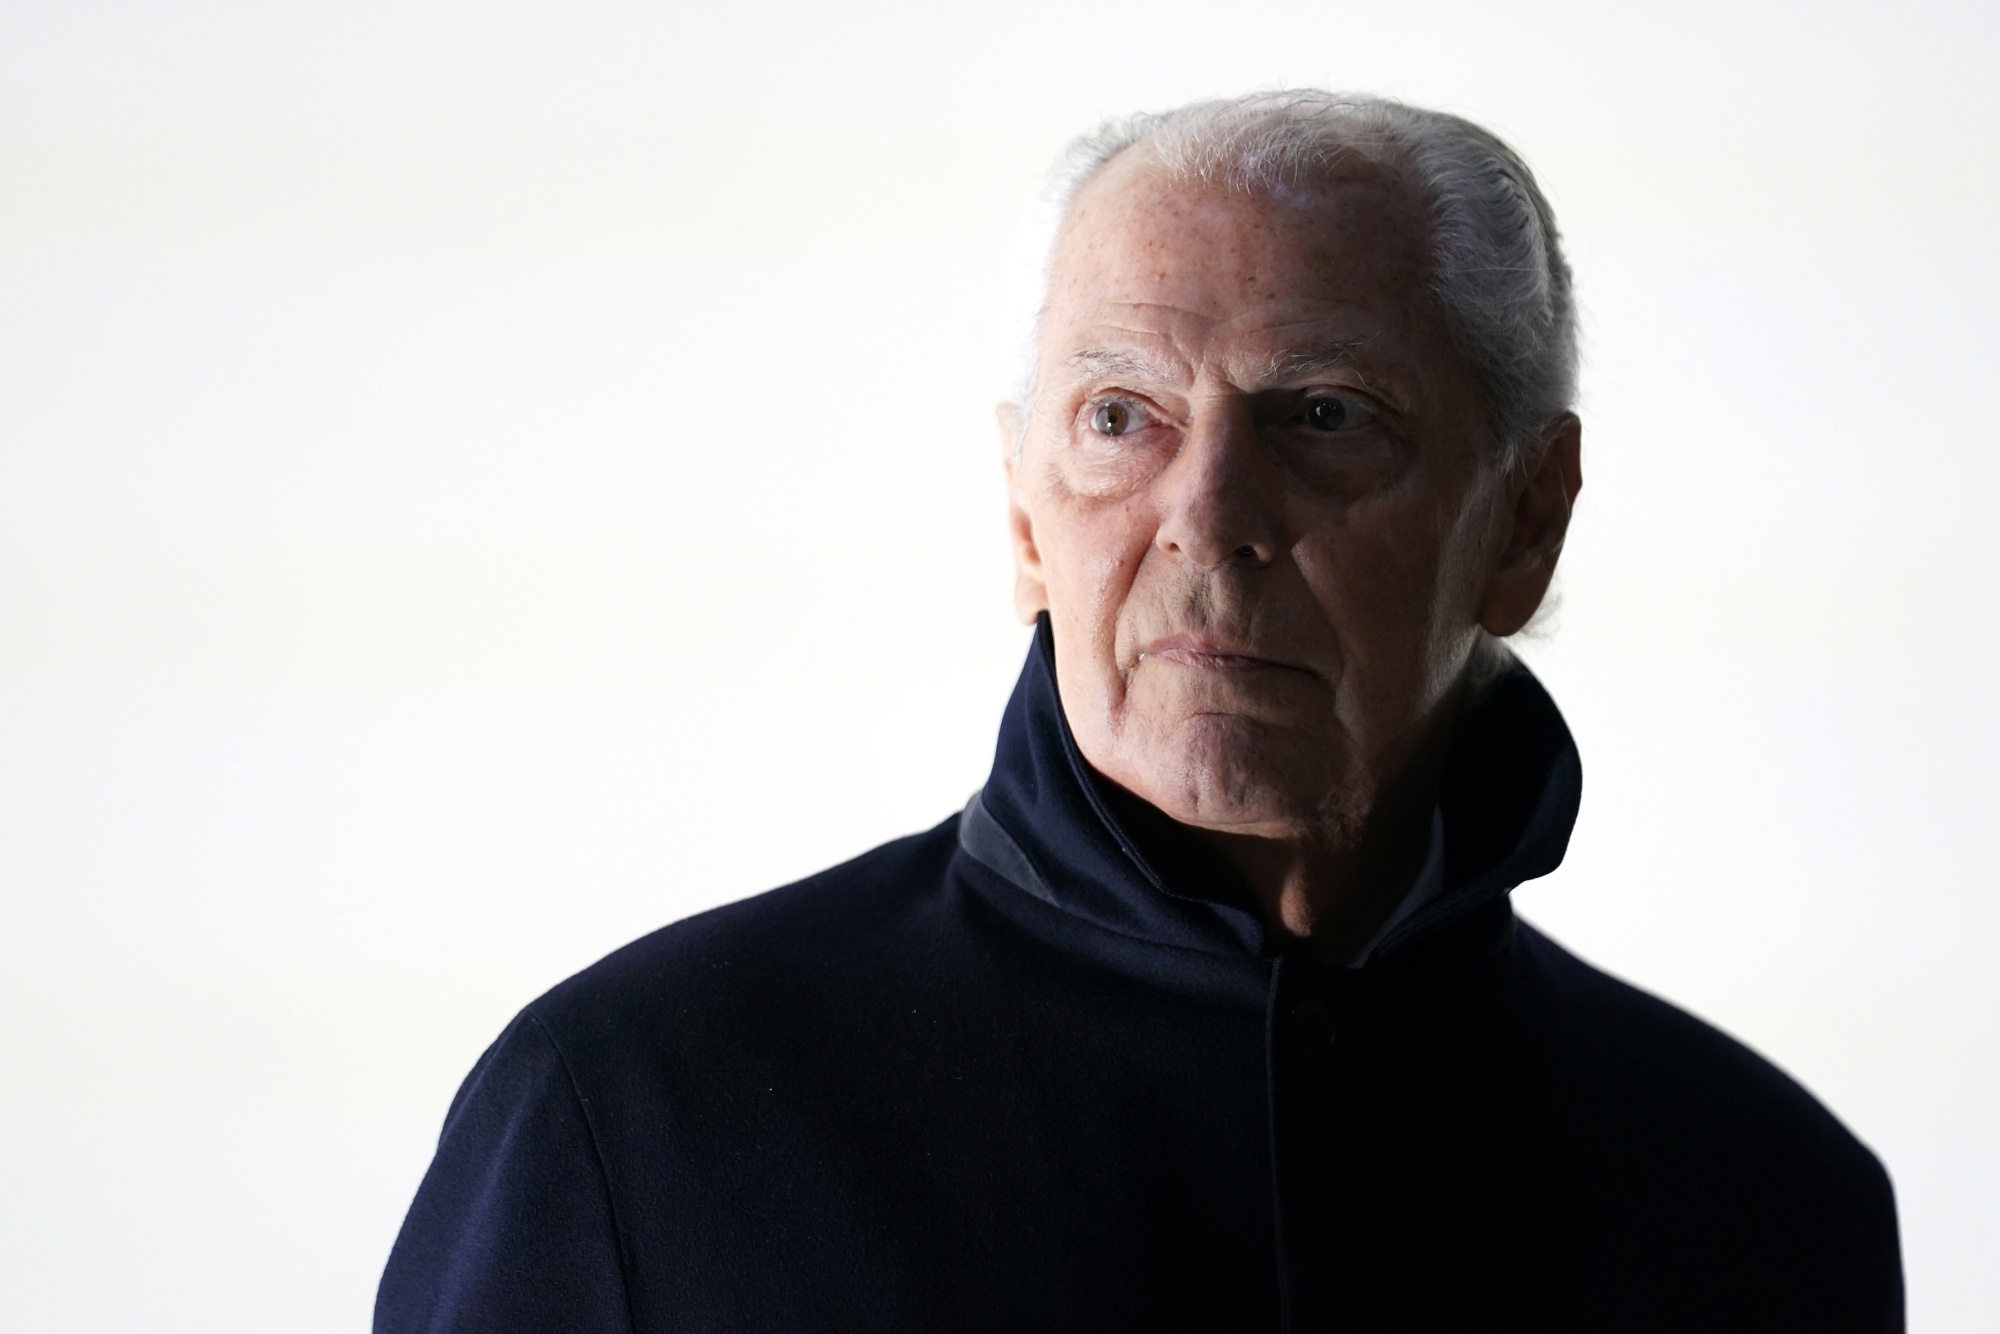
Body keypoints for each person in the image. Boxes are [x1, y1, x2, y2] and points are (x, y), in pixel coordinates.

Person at [376, 92, 1902, 1332]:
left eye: (1323, 415)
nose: (1209, 517)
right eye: (1121, 418)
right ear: (1024, 518)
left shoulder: (1762, 1202)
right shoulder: (630, 1119)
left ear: (1526, 518)